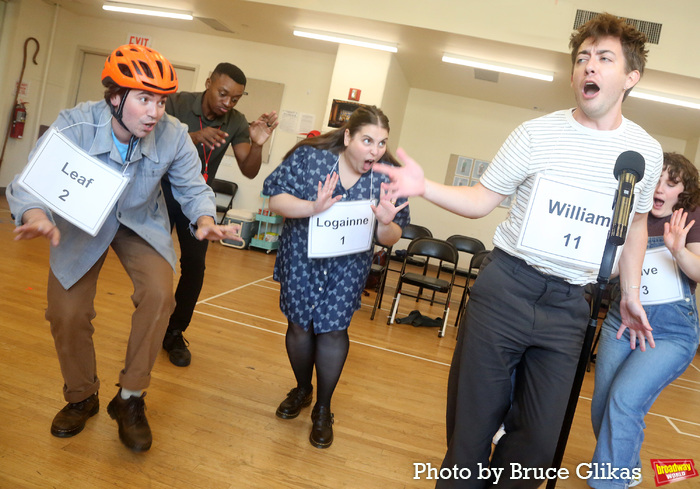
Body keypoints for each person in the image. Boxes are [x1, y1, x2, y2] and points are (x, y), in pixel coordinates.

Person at [374, 13, 663, 488]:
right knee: (470, 432)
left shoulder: (643, 154)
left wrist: (630, 292)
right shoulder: (535, 134)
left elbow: (633, 228)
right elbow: (481, 200)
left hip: (571, 306)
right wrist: (425, 186)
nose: (588, 66)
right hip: (506, 289)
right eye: (582, 58)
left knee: (537, 444)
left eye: (604, 58)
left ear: (631, 77)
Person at [5, 44, 241, 452]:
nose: (155, 112)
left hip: (139, 222)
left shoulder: (174, 135)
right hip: (80, 222)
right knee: (66, 311)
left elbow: (192, 187)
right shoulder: (75, 124)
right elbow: (29, 182)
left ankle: (130, 399)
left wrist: (205, 219)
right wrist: (34, 215)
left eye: (161, 100)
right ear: (115, 97)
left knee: (160, 294)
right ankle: (81, 396)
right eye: (144, 99)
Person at [263, 105, 410, 448]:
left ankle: (323, 409)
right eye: (367, 140)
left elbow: (389, 238)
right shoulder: (310, 159)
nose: (375, 150)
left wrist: (386, 222)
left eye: (382, 143)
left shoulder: (388, 178)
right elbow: (275, 199)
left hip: (348, 266)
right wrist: (311, 207)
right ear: (348, 137)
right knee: (299, 326)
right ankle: (302, 389)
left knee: (332, 330)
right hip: (302, 257)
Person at [589, 152, 700, 488]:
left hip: (670, 332)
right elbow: (606, 271)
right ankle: (629, 467)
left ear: (683, 192)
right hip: (621, 323)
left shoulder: (690, 217)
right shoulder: (628, 215)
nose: (661, 188)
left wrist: (679, 250)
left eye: (671, 182)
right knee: (603, 406)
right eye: (656, 179)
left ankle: (609, 482)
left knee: (624, 400)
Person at [161, 62, 278, 367]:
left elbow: (249, 170)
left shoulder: (236, 121)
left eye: (235, 99)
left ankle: (174, 331)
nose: (228, 103)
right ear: (209, 82)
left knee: (195, 267)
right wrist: (194, 138)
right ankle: (151, 323)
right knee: (156, 263)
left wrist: (256, 144)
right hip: (158, 194)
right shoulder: (176, 102)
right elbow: (152, 140)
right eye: (223, 94)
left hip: (197, 201)